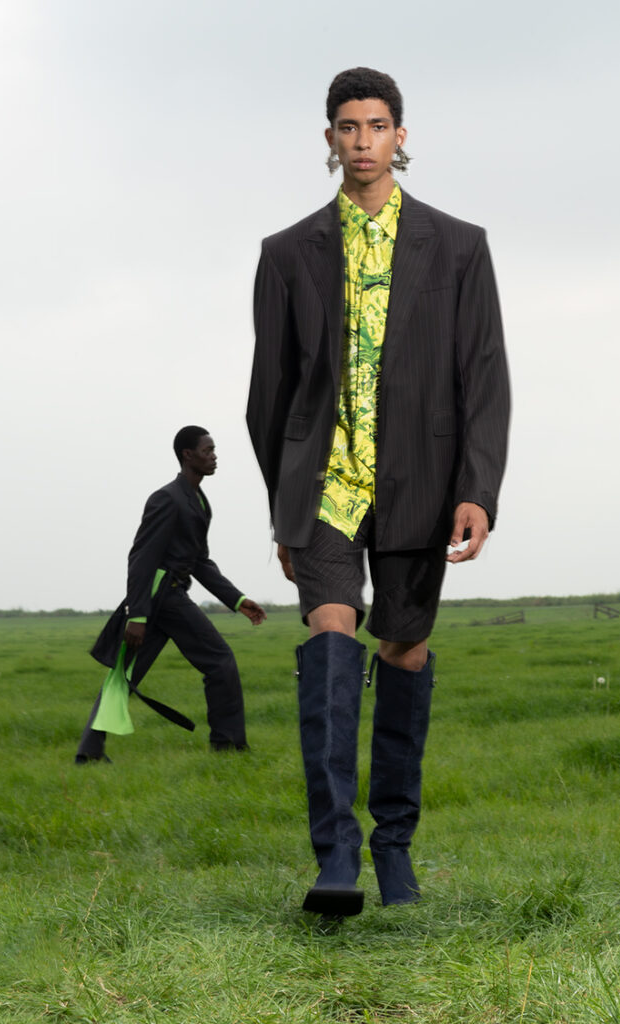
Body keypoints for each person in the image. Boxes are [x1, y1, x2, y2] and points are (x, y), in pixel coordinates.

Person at [247, 68, 510, 916]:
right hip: (324, 486)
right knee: (330, 631)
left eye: (375, 125)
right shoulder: (287, 253)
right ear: (328, 138)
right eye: (347, 126)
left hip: (422, 484)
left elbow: (483, 376)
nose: (361, 141)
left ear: (400, 135)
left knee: (402, 649)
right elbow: (268, 395)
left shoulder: (458, 245)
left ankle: (393, 846)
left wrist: (477, 489)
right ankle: (336, 856)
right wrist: (285, 510)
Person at [75, 425, 266, 763]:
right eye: (207, 450)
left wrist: (237, 600)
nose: (214, 456)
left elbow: (200, 561)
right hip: (163, 597)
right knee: (220, 661)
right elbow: (141, 558)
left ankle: (89, 753)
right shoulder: (167, 498)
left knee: (124, 674)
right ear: (187, 455)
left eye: (214, 450)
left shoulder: (199, 501)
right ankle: (228, 745)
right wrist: (137, 614)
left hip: (165, 598)